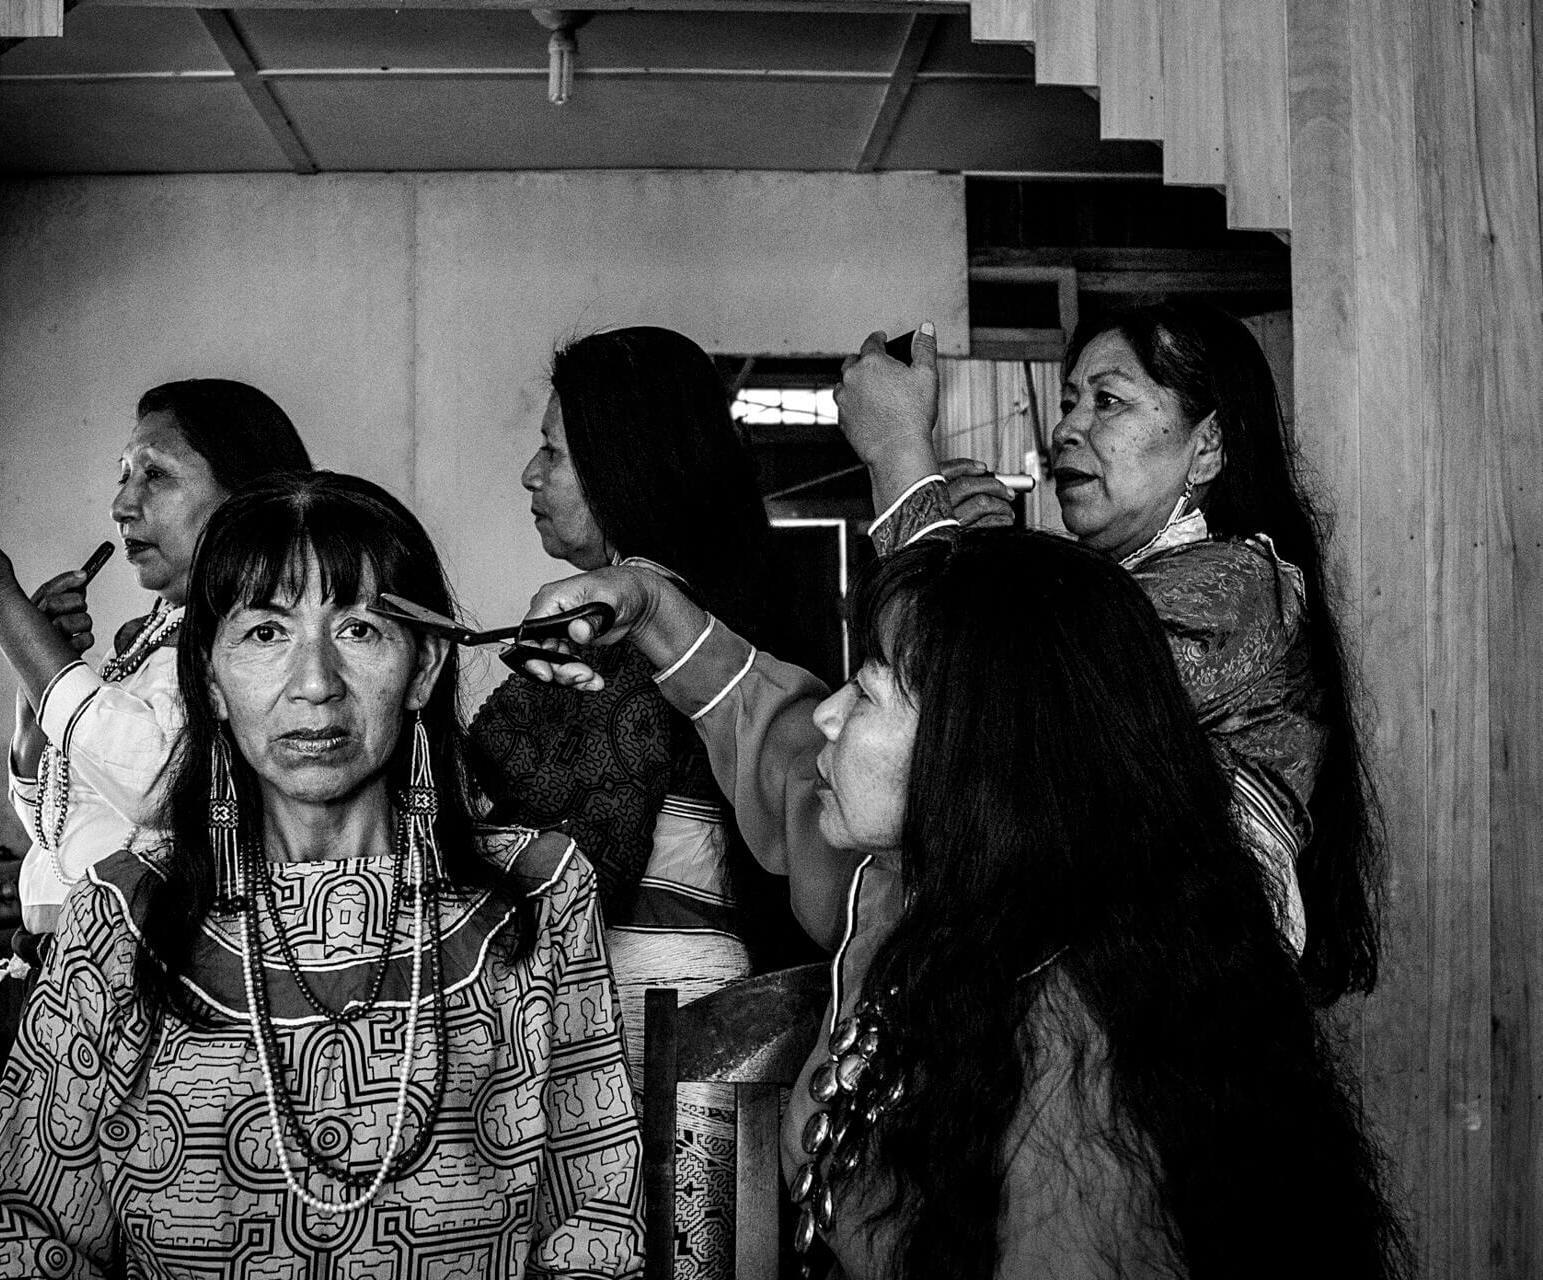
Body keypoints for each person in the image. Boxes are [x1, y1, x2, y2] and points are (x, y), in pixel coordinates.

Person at [523, 531, 1408, 1279]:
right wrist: (644, 607)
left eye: (867, 691)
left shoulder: (1076, 1045)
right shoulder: (896, 888)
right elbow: (777, 734)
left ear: (976, 753)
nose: (828, 716)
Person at [0, 472, 643, 1278]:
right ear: (211, 681)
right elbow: (29, 1238)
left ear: (424, 668)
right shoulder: (121, 918)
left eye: (360, 629)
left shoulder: (537, 896)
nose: (316, 684)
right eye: (264, 634)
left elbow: (594, 1228)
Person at [830, 307, 1382, 1002]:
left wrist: (900, 460)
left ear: (1207, 445)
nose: (1067, 428)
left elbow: (980, 704)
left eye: (1109, 402)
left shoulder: (1234, 591)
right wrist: (969, 566)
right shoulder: (1123, 591)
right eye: (1068, 403)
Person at [468, 326, 796, 1278]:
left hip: (659, 1027)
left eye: (555, 451)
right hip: (710, 1013)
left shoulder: (631, 628)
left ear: (622, 467)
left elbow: (587, 862)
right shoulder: (706, 621)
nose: (531, 473)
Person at [0, 379, 313, 948]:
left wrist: (1, 608)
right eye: (124, 475)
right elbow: (53, 826)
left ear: (246, 496)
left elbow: (162, 788)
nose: (122, 506)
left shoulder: (262, 637)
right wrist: (35, 699)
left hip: (149, 969)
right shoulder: (146, 638)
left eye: (155, 475)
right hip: (71, 965)